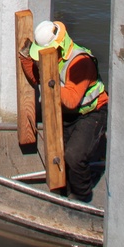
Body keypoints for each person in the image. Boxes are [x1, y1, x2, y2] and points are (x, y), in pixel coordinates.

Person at [19, 18, 108, 203]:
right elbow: (37, 79)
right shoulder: (53, 59)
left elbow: (71, 99)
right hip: (68, 115)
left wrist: (49, 80)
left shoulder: (80, 62)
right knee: (59, 156)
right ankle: (65, 194)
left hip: (91, 113)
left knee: (74, 156)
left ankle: (83, 198)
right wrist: (27, 59)